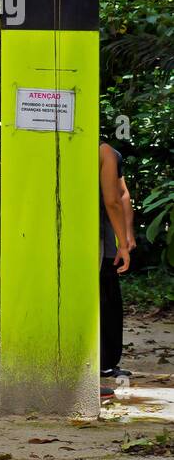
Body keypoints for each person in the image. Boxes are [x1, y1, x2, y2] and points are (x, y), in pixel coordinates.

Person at [100, 142, 136, 380]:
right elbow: (114, 199)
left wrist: (127, 234)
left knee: (106, 296)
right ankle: (103, 363)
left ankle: (103, 362)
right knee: (106, 299)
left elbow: (121, 195)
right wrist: (124, 242)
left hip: (99, 236)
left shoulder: (108, 153)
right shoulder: (104, 152)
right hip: (98, 239)